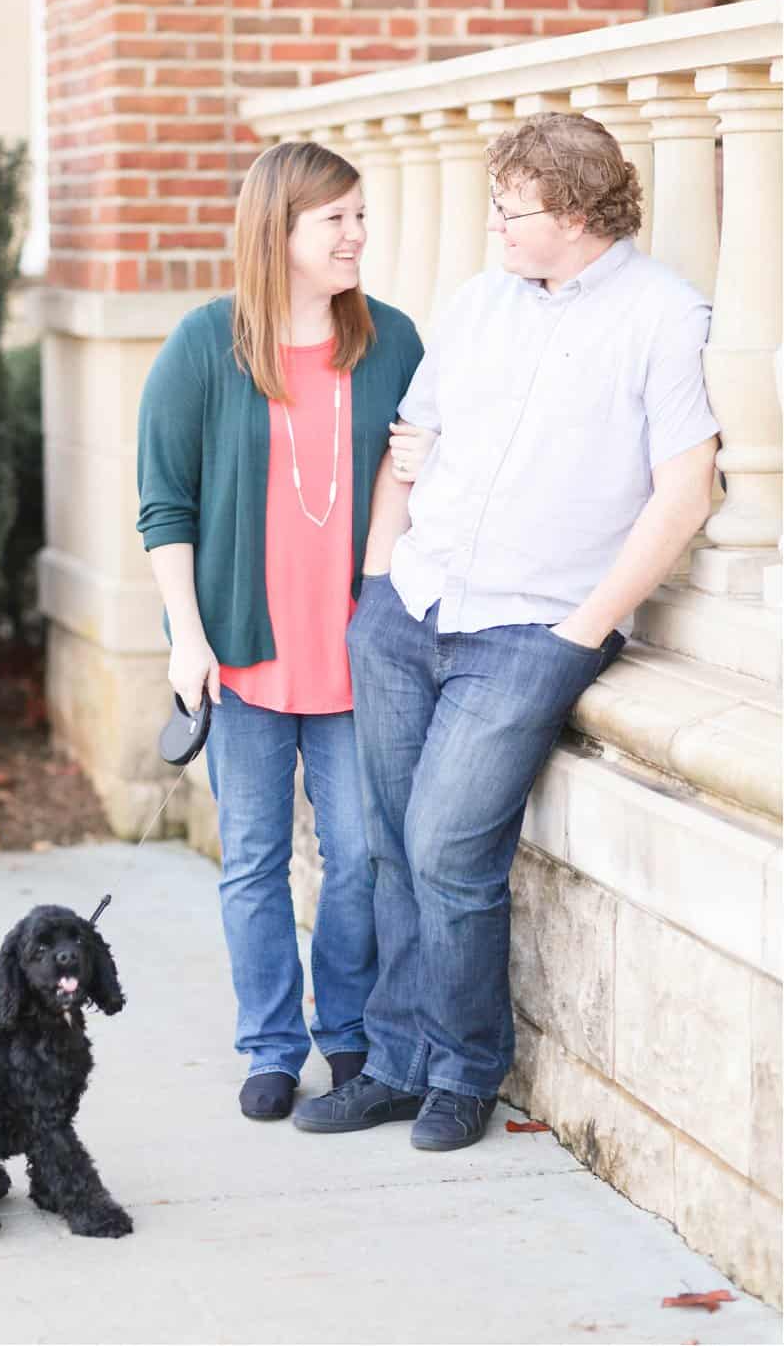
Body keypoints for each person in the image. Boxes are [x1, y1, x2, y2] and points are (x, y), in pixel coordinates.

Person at [292, 111, 719, 1150]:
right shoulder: (479, 302)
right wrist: (376, 578)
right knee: (395, 847)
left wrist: (583, 627)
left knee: (448, 848)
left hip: (532, 627)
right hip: (412, 605)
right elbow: (413, 442)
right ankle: (392, 1063)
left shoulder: (663, 315)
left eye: (508, 209)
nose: (490, 225)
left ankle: (466, 1071)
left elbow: (685, 490)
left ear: (574, 213)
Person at [136, 141, 423, 1121]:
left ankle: (344, 1029)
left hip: (357, 658)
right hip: (244, 658)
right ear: (280, 230)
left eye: (358, 215)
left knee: (362, 854)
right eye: (334, 219)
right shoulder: (204, 344)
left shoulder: (393, 343)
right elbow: (163, 505)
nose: (356, 233)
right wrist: (186, 635)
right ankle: (269, 1040)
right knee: (254, 856)